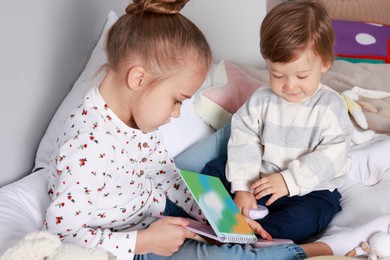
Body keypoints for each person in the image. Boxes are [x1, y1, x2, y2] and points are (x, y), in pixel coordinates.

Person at [43, 0, 312, 259]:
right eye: (177, 100)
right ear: (138, 78)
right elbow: (61, 233)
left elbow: (166, 175)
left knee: (245, 215)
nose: (176, 113)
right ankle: (309, 251)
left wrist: (223, 220)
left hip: (155, 212)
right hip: (131, 241)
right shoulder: (88, 148)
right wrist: (142, 242)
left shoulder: (135, 119)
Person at [224, 0, 355, 243]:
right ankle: (221, 217)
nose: (290, 85)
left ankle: (251, 234)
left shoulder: (329, 105)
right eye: (278, 75)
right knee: (215, 169)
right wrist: (242, 187)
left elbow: (333, 154)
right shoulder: (261, 100)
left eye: (302, 75)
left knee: (305, 219)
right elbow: (244, 139)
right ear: (267, 62)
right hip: (262, 182)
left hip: (311, 189)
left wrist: (289, 180)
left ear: (324, 63)